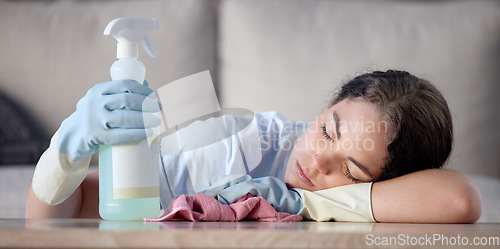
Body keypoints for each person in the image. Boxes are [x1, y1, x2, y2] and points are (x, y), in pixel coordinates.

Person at [26, 70, 482, 223]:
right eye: (327, 129)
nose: (318, 160)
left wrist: (303, 204)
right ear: (325, 107)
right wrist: (64, 151)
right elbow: (67, 211)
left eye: (353, 172)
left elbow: (458, 199)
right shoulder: (233, 146)